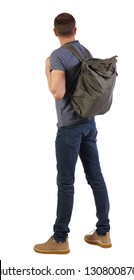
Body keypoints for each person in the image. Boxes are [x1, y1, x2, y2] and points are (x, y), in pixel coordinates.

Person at [34, 12, 112, 254]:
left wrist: (47, 68)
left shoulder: (58, 56)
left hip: (69, 128)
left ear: (55, 32)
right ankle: (103, 233)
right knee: (96, 177)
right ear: (75, 30)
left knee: (66, 183)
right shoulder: (85, 51)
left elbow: (57, 91)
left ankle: (59, 239)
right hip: (89, 123)